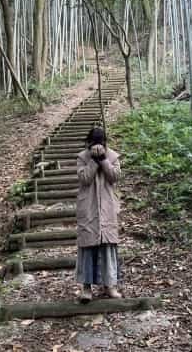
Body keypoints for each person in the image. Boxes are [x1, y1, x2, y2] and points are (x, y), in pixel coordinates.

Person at [76, 127, 122, 302]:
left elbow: (115, 177)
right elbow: (85, 179)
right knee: (88, 246)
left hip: (107, 207)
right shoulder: (82, 157)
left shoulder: (113, 156)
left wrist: (103, 160)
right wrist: (93, 161)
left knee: (108, 246)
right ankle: (86, 288)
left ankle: (110, 285)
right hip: (88, 207)